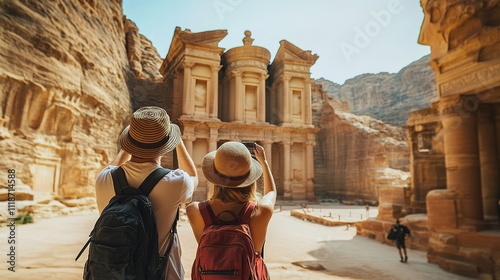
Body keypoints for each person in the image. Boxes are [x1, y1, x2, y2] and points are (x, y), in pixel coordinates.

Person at [95, 106, 198, 279]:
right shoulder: (175, 182)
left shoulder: (103, 179)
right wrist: (177, 139)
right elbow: (193, 175)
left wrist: (130, 143)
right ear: (167, 145)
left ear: (129, 142)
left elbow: (112, 167)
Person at [186, 141, 277, 276]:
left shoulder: (195, 210)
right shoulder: (261, 211)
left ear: (214, 179)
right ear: (250, 179)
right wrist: (264, 162)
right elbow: (271, 193)